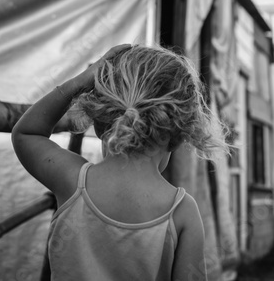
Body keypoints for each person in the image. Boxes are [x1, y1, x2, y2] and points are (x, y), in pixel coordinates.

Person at [12, 44, 229, 280]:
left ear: (100, 124)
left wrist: (81, 81)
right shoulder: (182, 212)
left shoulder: (72, 181)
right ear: (178, 138)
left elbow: (27, 133)